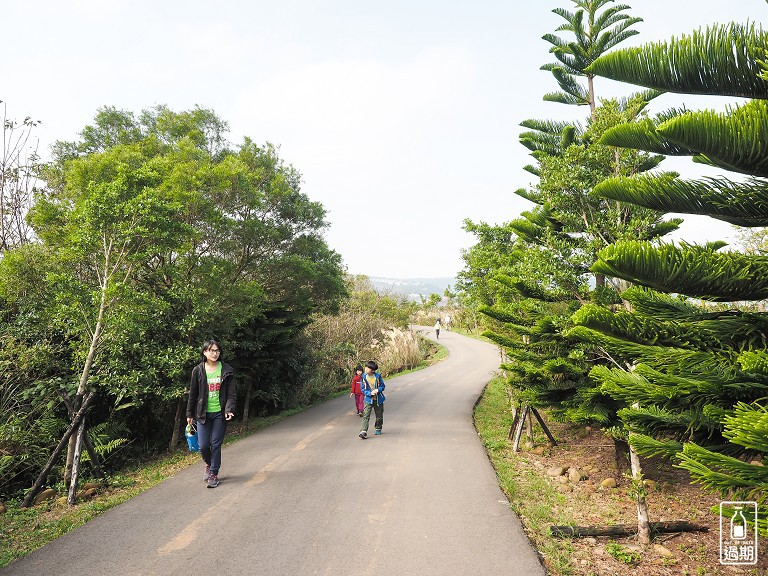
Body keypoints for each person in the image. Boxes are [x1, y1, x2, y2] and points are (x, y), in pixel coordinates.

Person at [187, 339, 236, 488]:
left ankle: (214, 473)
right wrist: (189, 414)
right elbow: (193, 394)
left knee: (215, 444)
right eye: (211, 350)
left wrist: (229, 409)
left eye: (217, 351)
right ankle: (209, 464)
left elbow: (231, 394)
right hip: (203, 414)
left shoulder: (227, 370)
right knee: (203, 445)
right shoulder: (198, 370)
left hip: (219, 414)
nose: (215, 353)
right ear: (205, 352)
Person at [358, 360, 386, 439]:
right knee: (366, 415)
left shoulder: (377, 376)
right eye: (365, 367)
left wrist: (378, 390)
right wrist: (369, 393)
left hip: (378, 399)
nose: (366, 369)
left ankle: (378, 428)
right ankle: (363, 431)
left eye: (368, 368)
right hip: (368, 399)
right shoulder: (363, 377)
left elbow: (383, 386)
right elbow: (362, 389)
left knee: (379, 415)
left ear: (372, 370)